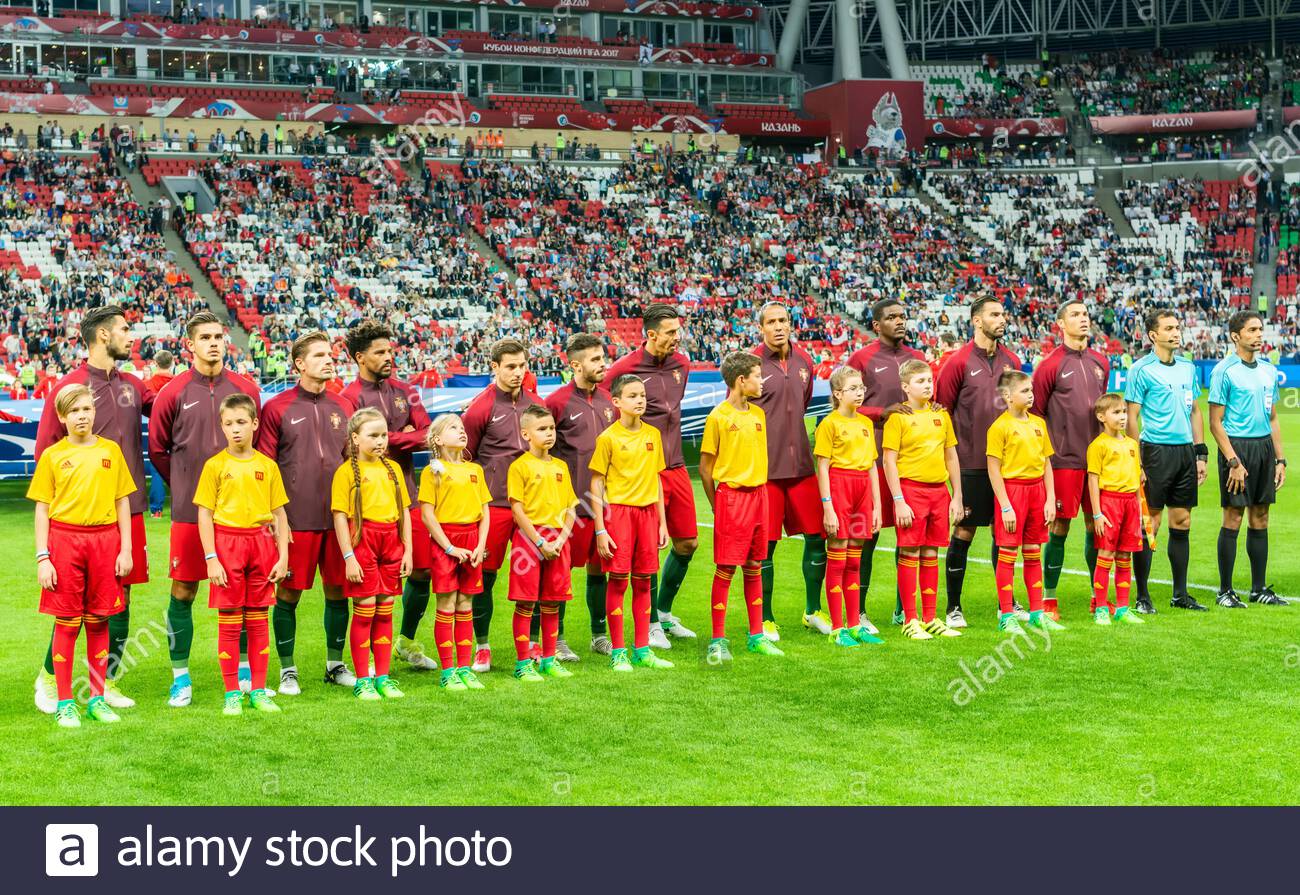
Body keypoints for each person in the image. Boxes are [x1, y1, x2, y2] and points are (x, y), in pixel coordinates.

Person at [33, 305, 151, 715]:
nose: (130, 335)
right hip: (75, 523)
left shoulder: (134, 385)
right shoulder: (68, 387)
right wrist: (46, 542)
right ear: (103, 335)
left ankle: (107, 684)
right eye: (124, 329)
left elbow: (172, 413)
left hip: (126, 510)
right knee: (69, 604)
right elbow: (46, 450)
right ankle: (49, 679)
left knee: (119, 598)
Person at [149, 310, 261, 707]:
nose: (214, 343)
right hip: (187, 513)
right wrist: (184, 485)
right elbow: (158, 450)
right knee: (183, 590)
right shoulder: (172, 392)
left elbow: (258, 447)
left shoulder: (247, 388)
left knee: (244, 593)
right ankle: (180, 677)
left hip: (241, 514)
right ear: (190, 345)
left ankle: (245, 668)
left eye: (219, 336)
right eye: (206, 337)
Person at [29, 384, 135, 728]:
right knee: (67, 623)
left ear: (95, 411)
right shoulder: (53, 456)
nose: (82, 416)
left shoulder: (111, 451)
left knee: (99, 620)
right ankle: (64, 702)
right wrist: (43, 557)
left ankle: (98, 699)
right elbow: (42, 510)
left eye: (87, 409)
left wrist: (126, 548)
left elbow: (122, 501)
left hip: (105, 541)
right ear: (62, 417)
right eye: (74, 411)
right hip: (65, 541)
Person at [256, 331, 356, 693]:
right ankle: (287, 670)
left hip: (337, 520)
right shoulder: (277, 408)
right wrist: (274, 518)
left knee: (338, 592)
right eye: (319, 356)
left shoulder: (345, 407)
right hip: (295, 522)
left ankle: (335, 664)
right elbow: (265, 468)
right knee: (287, 595)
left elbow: (353, 465)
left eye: (330, 355)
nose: (329, 360)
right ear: (299, 363)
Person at [341, 321, 434, 672]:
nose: (388, 357)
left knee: (421, 570)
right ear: (360, 357)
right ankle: (359, 660)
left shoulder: (406, 391)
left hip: (406, 494)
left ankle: (405, 642)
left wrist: (386, 439)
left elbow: (427, 435)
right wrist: (400, 435)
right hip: (366, 503)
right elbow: (351, 446)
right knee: (366, 582)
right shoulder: (349, 397)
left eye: (390, 351)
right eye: (380, 352)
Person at [606, 303, 698, 647]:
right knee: (650, 549)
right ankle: (650, 628)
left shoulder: (682, 365)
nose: (678, 337)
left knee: (687, 542)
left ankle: (663, 613)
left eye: (679, 330)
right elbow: (608, 413)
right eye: (671, 332)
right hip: (641, 472)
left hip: (674, 466)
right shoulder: (624, 369)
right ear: (651, 335)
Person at [194, 393, 290, 715]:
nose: (235, 430)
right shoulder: (214, 466)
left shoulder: (268, 466)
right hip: (227, 544)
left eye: (241, 423)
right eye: (228, 424)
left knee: (259, 620)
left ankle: (259, 690)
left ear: (254, 424)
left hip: (261, 544)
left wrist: (282, 556)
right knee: (230, 621)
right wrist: (211, 558)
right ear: (221, 427)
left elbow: (278, 515)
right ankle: (232, 692)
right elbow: (205, 514)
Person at [934, 297, 1023, 628]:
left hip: (1008, 464)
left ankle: (1007, 604)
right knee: (965, 531)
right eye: (994, 314)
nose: (1002, 319)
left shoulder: (1011, 361)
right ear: (976, 321)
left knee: (1005, 533)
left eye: (1003, 314)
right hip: (971, 462)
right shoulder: (957, 363)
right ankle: (954, 607)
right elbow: (942, 412)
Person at [462, 338, 544, 673]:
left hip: (532, 505)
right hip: (494, 505)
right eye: (510, 366)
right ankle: (482, 647)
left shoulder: (537, 405)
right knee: (485, 575)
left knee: (533, 574)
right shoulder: (480, 408)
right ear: (494, 367)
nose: (517, 372)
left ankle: (535, 642)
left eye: (522, 366)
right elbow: (466, 457)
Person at [750, 302, 829, 641]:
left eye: (783, 320)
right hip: (765, 472)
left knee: (817, 538)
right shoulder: (750, 364)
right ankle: (765, 619)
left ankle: (812, 610)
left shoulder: (804, 361)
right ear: (761, 328)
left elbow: (804, 402)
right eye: (772, 322)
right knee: (766, 546)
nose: (779, 326)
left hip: (801, 468)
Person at [699, 352, 783, 663]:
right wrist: (716, 504)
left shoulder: (758, 415)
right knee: (726, 568)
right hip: (731, 498)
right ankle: (718, 639)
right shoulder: (718, 417)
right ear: (741, 381)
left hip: (759, 496)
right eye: (758, 376)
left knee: (755, 566)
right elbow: (706, 468)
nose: (763, 381)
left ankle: (756, 635)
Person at [847, 298, 925, 628]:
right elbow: (845, 404)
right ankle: (859, 610)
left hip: (912, 462)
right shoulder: (861, 358)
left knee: (910, 537)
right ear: (877, 325)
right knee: (867, 535)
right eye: (891, 317)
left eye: (902, 316)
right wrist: (881, 412)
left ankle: (902, 609)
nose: (899, 321)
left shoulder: (918, 359)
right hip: (874, 459)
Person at [1123, 310, 1209, 611]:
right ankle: (1143, 597)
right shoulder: (1141, 369)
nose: (1176, 332)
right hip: (1155, 451)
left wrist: (1200, 453)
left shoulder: (1188, 368)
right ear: (1152, 335)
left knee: (1182, 520)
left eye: (1177, 327)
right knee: (1151, 523)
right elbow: (1131, 416)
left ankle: (1180, 595)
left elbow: (1195, 411)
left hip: (1184, 452)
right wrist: (1136, 461)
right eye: (1169, 328)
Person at [590, 374, 672, 672]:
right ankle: (619, 652)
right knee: (619, 581)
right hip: (620, 515)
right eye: (633, 396)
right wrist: (600, 528)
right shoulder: (608, 438)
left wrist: (662, 524)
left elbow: (657, 481)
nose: (640, 400)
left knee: (643, 582)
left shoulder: (653, 435)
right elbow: (597, 484)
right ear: (616, 402)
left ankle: (642, 649)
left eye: (643, 395)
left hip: (648, 516)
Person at [1032, 301, 1109, 619]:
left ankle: (1098, 597)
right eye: (1075, 315)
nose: (1083, 319)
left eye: (1086, 314)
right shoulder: (1050, 366)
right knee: (1060, 526)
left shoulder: (1101, 362)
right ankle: (1049, 599)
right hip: (1064, 460)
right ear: (1060, 324)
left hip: (1098, 461)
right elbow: (1035, 415)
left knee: (1097, 526)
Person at [330, 407, 413, 701]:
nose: (380, 441)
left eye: (384, 435)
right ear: (355, 438)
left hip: (391, 541)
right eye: (373, 435)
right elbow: (340, 517)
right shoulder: (344, 473)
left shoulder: (392, 470)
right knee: (365, 609)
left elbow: (404, 511)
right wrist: (348, 556)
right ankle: (363, 679)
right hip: (362, 541)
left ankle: (383, 676)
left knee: (386, 608)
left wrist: (408, 551)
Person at [1208, 311, 1289, 607]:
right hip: (1236, 449)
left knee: (1261, 516)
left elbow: (1273, 417)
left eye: (1260, 329)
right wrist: (1233, 461)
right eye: (1252, 330)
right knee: (1234, 516)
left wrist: (1280, 460)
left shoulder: (1268, 371)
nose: (1259, 334)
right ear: (1235, 336)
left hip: (1264, 448)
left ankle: (1258, 589)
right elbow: (1215, 422)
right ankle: (1225, 591)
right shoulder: (1223, 371)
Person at [882, 359, 964, 640]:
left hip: (938, 491)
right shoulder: (898, 419)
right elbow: (889, 461)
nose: (927, 385)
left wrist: (957, 496)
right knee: (910, 552)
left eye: (929, 380)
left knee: (931, 553)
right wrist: (898, 499)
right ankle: (910, 619)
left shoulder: (942, 416)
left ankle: (930, 618)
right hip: (911, 491)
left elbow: (951, 455)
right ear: (905, 387)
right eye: (920, 381)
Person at [545, 333, 615, 660]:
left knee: (600, 570)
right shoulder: (556, 403)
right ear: (575, 364)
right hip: (570, 506)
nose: (603, 365)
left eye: (603, 358)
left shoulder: (609, 401)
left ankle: (599, 634)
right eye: (596, 360)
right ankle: (554, 639)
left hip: (605, 503)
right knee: (559, 572)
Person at [418, 414, 492, 692]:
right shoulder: (433, 471)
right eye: (453, 428)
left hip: (472, 541)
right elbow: (427, 514)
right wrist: (449, 547)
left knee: (466, 605)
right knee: (447, 604)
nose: (461, 432)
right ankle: (448, 671)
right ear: (437, 439)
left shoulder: (475, 470)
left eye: (462, 429)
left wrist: (480, 545)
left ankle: (464, 668)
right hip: (446, 541)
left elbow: (485, 512)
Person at [506, 405, 579, 683]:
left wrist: (560, 539)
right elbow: (517, 509)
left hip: (558, 540)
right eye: (542, 429)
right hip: (529, 540)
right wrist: (539, 541)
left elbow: (572, 507)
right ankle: (523, 662)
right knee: (526, 603)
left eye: (551, 428)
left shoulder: (561, 466)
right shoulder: (519, 466)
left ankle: (549, 660)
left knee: (552, 603)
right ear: (526, 434)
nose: (549, 433)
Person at [986, 370, 1062, 634]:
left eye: (1031, 390)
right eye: (1025, 391)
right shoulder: (1000, 427)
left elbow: (1046, 463)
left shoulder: (1039, 423)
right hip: (1013, 492)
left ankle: (1037, 613)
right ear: (1007, 396)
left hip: (1037, 492)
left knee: (1032, 554)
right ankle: (1006, 614)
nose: (1031, 395)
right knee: (1007, 555)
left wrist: (1050, 498)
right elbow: (993, 468)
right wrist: (1005, 505)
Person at [812, 367, 883, 647]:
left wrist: (877, 506)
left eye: (861, 387)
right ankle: (837, 628)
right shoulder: (829, 424)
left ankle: (855, 625)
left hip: (862, 490)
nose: (860, 392)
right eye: (853, 388)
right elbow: (823, 466)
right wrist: (828, 507)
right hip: (840, 489)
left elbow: (872, 467)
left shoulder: (865, 423)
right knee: (838, 558)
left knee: (855, 560)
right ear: (838, 394)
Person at [1086, 393, 1146, 626]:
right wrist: (1097, 513)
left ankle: (1122, 607)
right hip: (1109, 502)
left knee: (1125, 555)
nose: (1122, 417)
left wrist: (1140, 509)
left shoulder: (1132, 444)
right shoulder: (1097, 445)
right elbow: (1093, 480)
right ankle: (1101, 607)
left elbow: (1136, 479)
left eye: (1124, 412)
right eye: (1116, 412)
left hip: (1130, 503)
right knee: (1106, 554)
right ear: (1101, 416)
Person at [145, 350, 176, 518]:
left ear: (155, 364)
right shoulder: (179, 383)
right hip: (177, 430)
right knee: (180, 469)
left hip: (156, 429)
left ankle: (156, 509)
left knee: (157, 469)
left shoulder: (147, 384)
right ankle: (179, 507)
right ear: (172, 363)